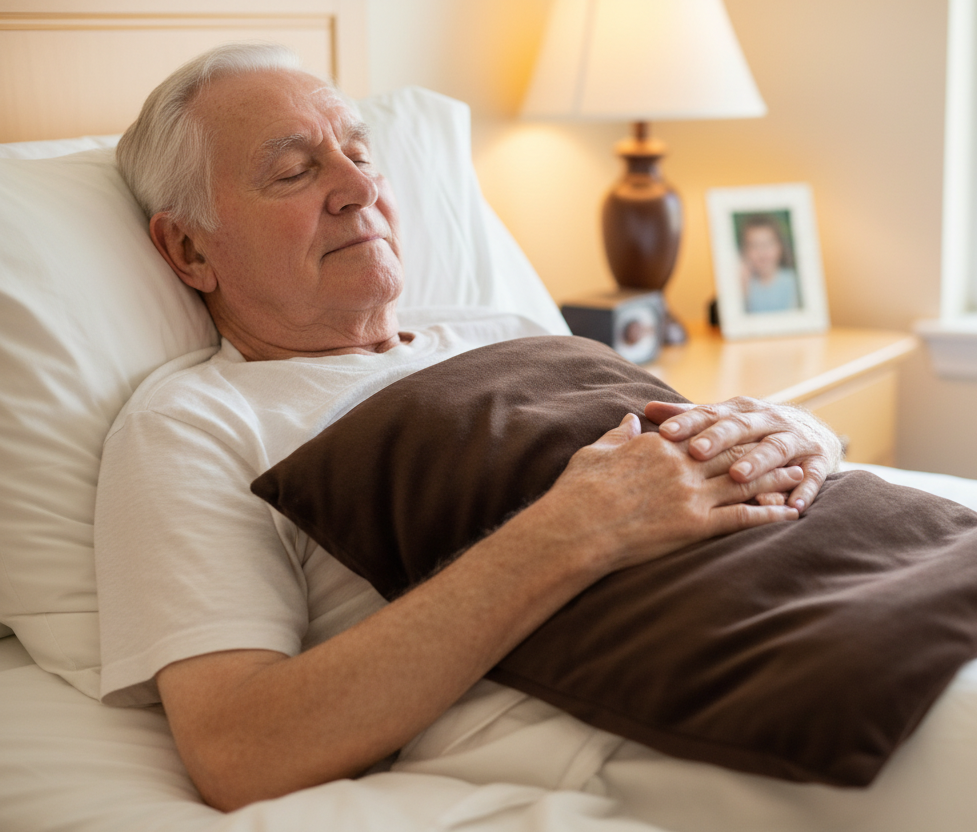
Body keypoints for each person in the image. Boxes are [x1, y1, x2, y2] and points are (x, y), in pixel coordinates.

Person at [94, 44, 841, 813]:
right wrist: (582, 526)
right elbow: (241, 751)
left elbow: (689, 464)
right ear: (188, 249)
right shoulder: (193, 426)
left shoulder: (507, 328)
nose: (359, 188)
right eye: (293, 172)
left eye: (358, 153)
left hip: (847, 577)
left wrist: (798, 434)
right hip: (729, 681)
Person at [738, 213, 802, 314]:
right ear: (745, 251)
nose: (762, 252)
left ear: (780, 246)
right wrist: (742, 291)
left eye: (768, 243)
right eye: (754, 245)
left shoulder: (794, 281)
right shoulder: (744, 285)